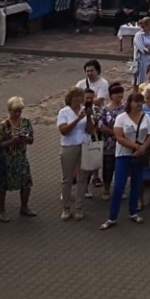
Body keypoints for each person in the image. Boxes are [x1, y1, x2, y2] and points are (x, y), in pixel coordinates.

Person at [102, 89, 150, 228]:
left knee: (136, 184)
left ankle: (133, 212)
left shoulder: (146, 117)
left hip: (139, 155)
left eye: (141, 102)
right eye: (136, 101)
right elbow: (119, 137)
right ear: (130, 103)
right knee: (119, 186)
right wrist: (136, 147)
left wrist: (143, 148)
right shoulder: (121, 118)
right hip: (124, 154)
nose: (139, 104)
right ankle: (112, 217)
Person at [0, 95, 35, 222]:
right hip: (6, 160)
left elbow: (31, 139)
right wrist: (11, 142)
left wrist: (25, 139)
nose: (17, 114)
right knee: (1, 186)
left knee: (26, 183)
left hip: (21, 158)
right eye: (15, 111)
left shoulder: (26, 122)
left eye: (19, 111)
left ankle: (24, 207)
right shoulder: (4, 125)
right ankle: (1, 211)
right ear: (9, 110)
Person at [55, 86, 93, 220]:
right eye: (75, 97)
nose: (78, 99)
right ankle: (66, 208)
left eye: (80, 97)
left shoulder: (84, 110)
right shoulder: (64, 112)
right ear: (70, 99)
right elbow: (64, 131)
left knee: (83, 177)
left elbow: (90, 130)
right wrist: (77, 119)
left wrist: (88, 117)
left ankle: (79, 207)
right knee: (67, 178)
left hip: (84, 145)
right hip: (69, 146)